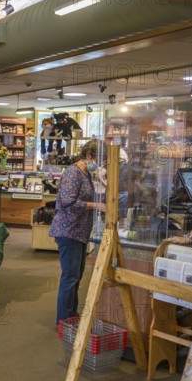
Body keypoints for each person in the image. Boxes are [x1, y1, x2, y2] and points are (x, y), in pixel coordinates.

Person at [49, 139, 106, 325]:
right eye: (99, 159)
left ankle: (71, 315)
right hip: (69, 230)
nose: (100, 164)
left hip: (79, 232)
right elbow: (68, 202)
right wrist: (95, 205)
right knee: (70, 276)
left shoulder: (86, 173)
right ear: (89, 156)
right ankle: (64, 321)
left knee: (76, 275)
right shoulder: (73, 173)